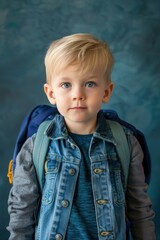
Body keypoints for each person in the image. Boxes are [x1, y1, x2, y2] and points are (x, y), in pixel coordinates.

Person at [7, 33, 156, 240]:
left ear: (107, 91)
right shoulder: (37, 145)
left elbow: (139, 210)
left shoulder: (125, 143)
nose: (78, 94)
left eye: (90, 84)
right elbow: (22, 210)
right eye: (66, 85)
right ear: (51, 93)